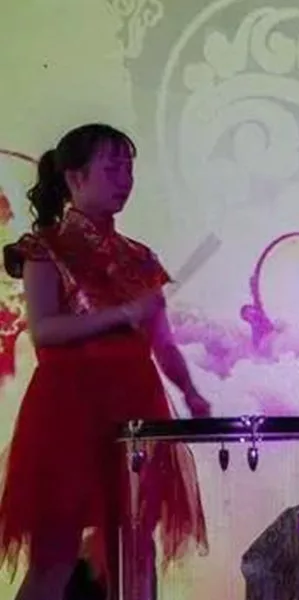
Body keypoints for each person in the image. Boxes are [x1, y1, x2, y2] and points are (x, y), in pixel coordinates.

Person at [0, 123, 210, 600]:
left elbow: (163, 344)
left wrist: (191, 392)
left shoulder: (140, 258)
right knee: (54, 553)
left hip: (136, 405)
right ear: (75, 178)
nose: (125, 179)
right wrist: (122, 314)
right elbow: (44, 329)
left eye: (129, 169)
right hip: (68, 409)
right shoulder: (46, 248)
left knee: (136, 544)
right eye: (112, 168)